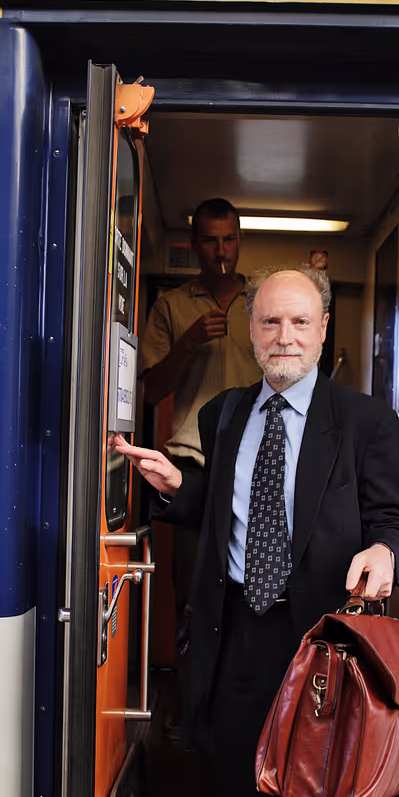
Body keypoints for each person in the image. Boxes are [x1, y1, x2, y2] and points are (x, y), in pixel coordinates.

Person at [117, 265, 399, 797]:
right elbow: (218, 510)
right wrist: (174, 488)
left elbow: (394, 523)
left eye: (298, 322)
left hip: (327, 651)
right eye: (270, 322)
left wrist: (383, 553)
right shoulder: (223, 414)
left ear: (321, 332)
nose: (284, 336)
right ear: (251, 331)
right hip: (237, 642)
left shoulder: (363, 420)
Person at [140, 198, 261, 621]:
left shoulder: (262, 307)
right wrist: (187, 343)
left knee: (254, 594)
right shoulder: (171, 306)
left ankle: (238, 689)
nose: (221, 251)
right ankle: (190, 689)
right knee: (192, 597)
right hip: (192, 469)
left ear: (240, 241)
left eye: (229, 240)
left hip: (257, 465)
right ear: (195, 244)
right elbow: (151, 392)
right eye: (211, 241)